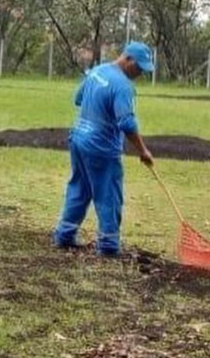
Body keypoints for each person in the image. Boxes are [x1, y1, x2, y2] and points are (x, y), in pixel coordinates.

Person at [52, 41, 155, 256]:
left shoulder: (97, 71)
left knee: (80, 188)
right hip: (101, 146)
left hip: (79, 138)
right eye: (139, 68)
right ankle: (109, 246)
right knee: (109, 194)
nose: (140, 74)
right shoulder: (123, 86)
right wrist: (143, 150)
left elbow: (78, 99)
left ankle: (65, 234)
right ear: (128, 59)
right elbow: (127, 123)